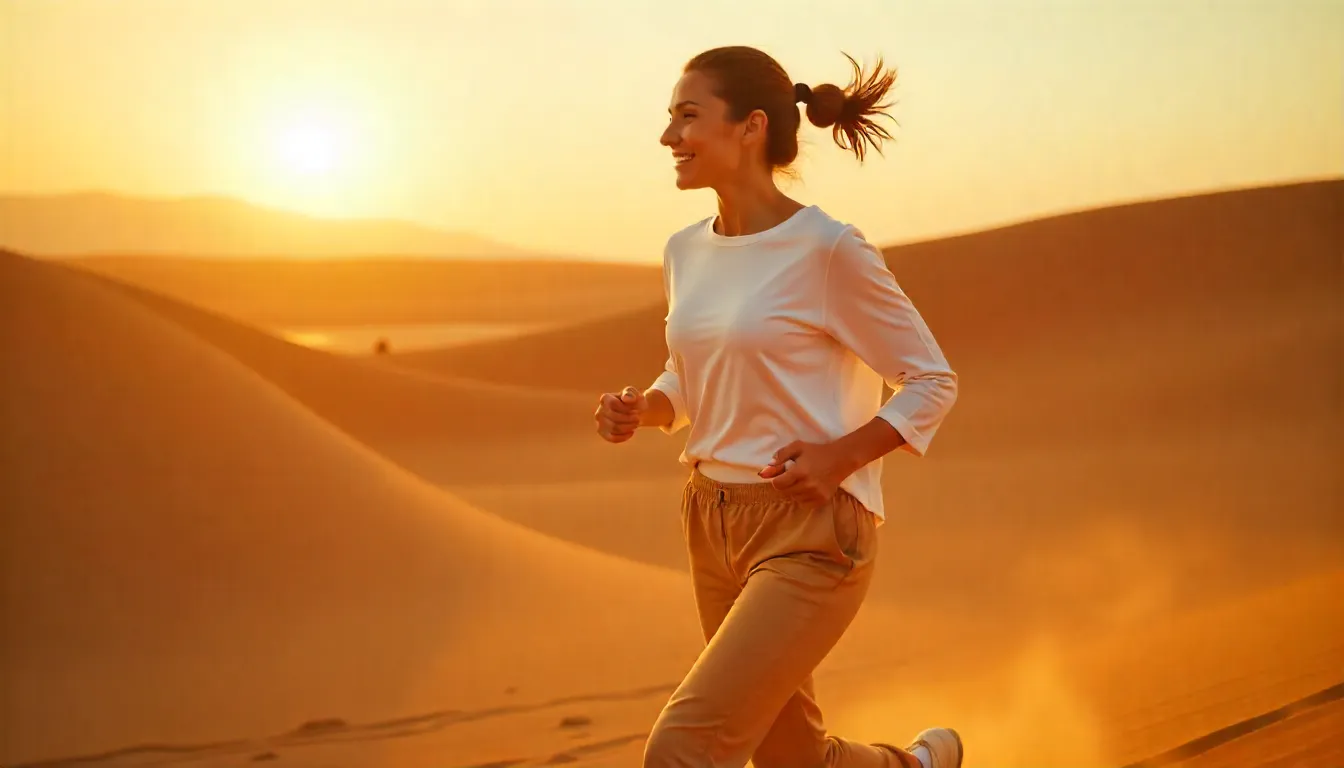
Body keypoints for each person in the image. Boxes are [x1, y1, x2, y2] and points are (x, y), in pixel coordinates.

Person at [594, 45, 962, 768]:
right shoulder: (684, 251)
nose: (669, 137)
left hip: (814, 533)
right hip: (711, 521)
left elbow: (931, 380)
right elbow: (689, 376)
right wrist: (650, 409)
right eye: (670, 118)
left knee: (681, 749)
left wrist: (840, 456)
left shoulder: (827, 250)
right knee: (789, 756)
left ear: (751, 127)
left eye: (687, 116)